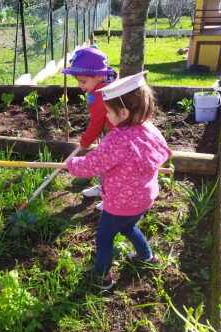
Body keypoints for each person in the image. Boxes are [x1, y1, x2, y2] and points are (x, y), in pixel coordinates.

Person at [66, 71, 172, 290]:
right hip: (143, 198)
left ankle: (101, 276)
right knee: (129, 228)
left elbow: (91, 166)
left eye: (108, 112)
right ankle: (148, 257)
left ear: (123, 112)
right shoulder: (149, 128)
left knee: (104, 237)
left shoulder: (116, 139)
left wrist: (73, 164)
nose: (107, 116)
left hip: (120, 203)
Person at [61, 46, 118, 211]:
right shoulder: (107, 81)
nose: (79, 85)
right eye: (78, 81)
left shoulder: (103, 95)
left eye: (83, 82)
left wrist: (85, 142)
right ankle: (102, 188)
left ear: (99, 76)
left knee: (112, 166)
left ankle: (111, 197)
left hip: (117, 137)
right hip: (110, 133)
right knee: (103, 160)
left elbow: (96, 122)